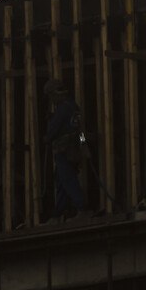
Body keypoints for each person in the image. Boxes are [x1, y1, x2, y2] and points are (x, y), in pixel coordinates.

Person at [44, 78, 86, 219]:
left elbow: (52, 132)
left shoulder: (62, 110)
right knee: (62, 181)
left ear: (55, 94)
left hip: (64, 151)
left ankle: (82, 208)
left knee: (67, 179)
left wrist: (47, 138)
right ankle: (58, 213)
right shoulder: (74, 107)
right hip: (73, 150)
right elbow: (80, 131)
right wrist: (83, 145)